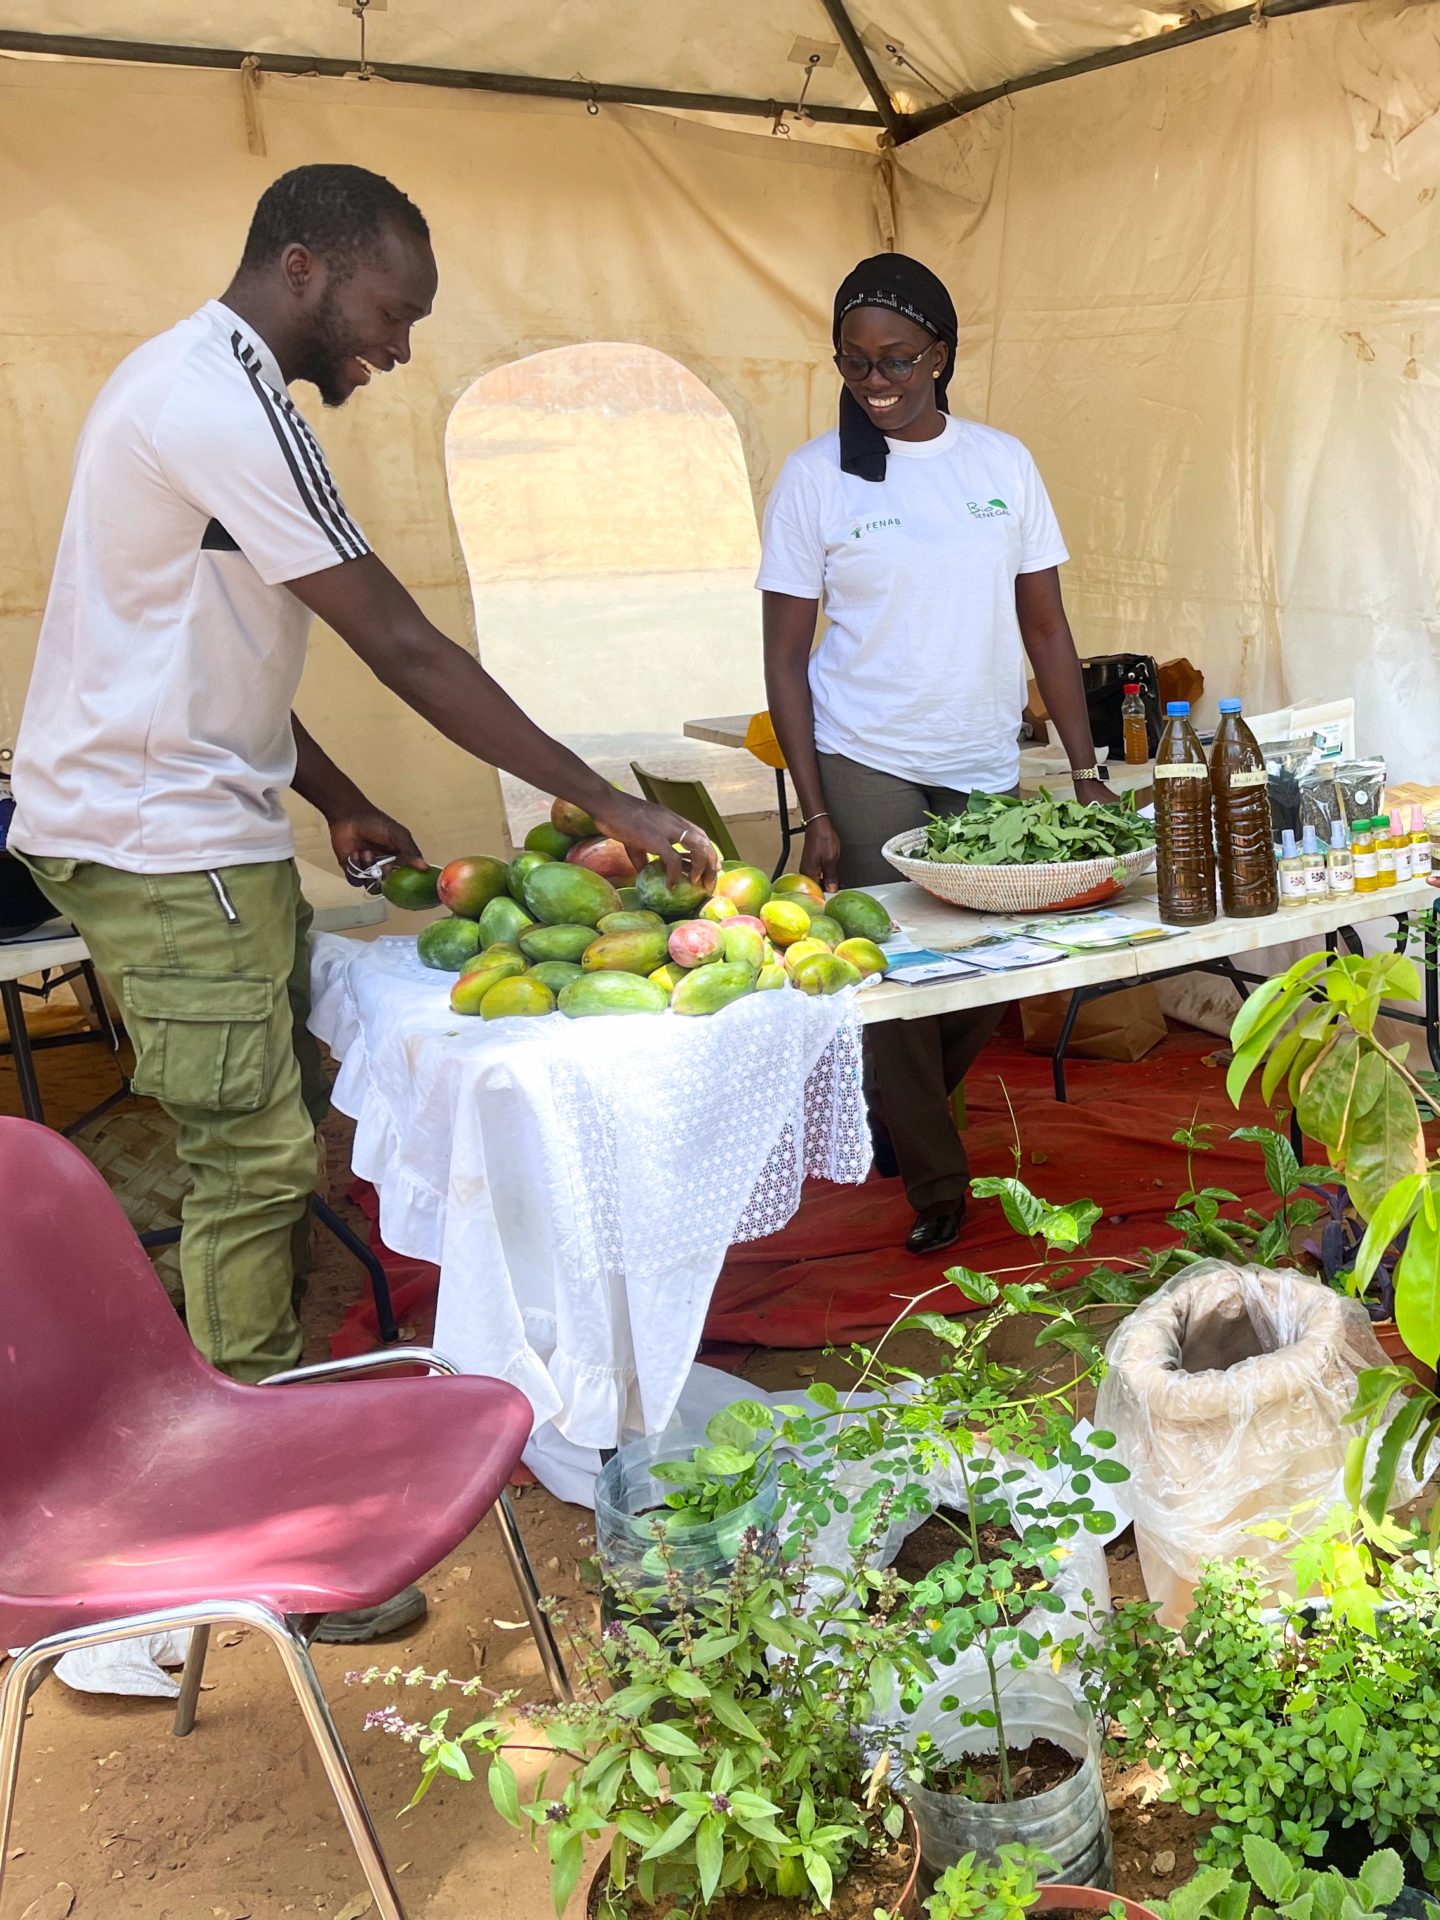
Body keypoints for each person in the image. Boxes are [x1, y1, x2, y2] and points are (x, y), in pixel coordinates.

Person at [10, 165, 718, 1639]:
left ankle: (240, 1438)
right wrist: (602, 799)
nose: (394, 353)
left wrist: (323, 788)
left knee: (261, 1139)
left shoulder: (211, 385)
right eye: (393, 316)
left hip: (199, 821)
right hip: (158, 843)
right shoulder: (219, 396)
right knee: (253, 1159)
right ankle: (241, 1542)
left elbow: (216, 642)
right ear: (309, 268)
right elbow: (395, 636)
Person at [758, 254, 1109, 1255]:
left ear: (941, 356)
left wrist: (1083, 771)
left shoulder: (1002, 464)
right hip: (864, 749)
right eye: (855, 360)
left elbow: (1045, 626)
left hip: (984, 758)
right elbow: (784, 657)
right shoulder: (814, 478)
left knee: (993, 959)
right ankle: (935, 1175)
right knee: (902, 968)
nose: (875, 379)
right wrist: (816, 809)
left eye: (898, 358)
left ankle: (892, 1113)